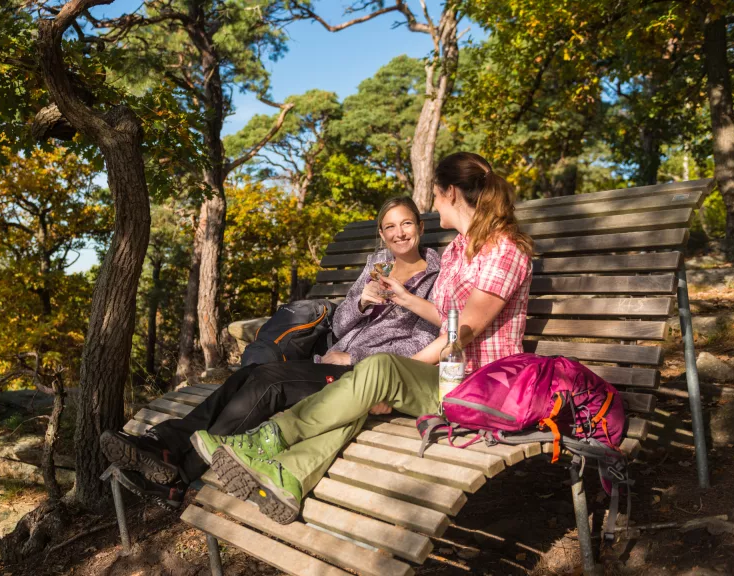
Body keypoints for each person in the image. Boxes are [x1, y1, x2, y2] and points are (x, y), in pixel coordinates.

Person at [205, 152, 534, 524]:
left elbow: (463, 332)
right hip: (444, 377)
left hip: (481, 386)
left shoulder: (504, 251)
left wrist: (394, 375)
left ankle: (271, 436)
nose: (432, 203)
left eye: (436, 195)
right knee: (363, 389)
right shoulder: (460, 248)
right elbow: (448, 317)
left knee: (375, 371)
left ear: (453, 192)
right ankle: (290, 475)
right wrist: (405, 298)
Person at [101, 196, 443, 508]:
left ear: (421, 227)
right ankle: (170, 452)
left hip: (366, 376)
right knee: (250, 374)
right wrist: (361, 303)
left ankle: (173, 458)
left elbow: (424, 343)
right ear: (381, 234)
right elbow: (339, 324)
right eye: (391, 227)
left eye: (407, 224)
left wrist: (354, 359)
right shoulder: (378, 263)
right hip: (331, 359)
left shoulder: (435, 276)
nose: (400, 233)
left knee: (268, 381)